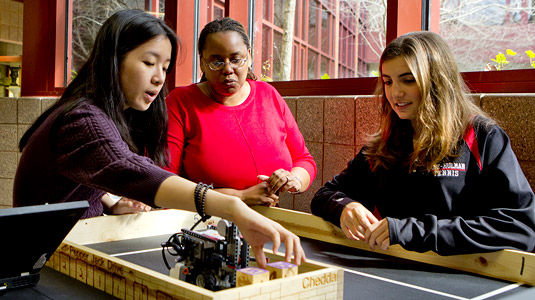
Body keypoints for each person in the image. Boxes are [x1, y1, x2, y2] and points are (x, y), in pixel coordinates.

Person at [13, 9, 305, 268]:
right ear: (113, 61)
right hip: (38, 263)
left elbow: (82, 171)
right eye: (149, 63)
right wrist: (235, 207)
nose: (159, 77)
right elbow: (136, 172)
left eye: (165, 67)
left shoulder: (107, 112)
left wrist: (111, 202)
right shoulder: (82, 119)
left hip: (67, 248)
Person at [311, 31, 535, 255]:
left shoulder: (482, 137)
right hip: (391, 274)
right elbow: (325, 195)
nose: (395, 93)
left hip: (466, 279)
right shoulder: (383, 145)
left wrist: (413, 231)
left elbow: (521, 228)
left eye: (408, 80)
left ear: (437, 81)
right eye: (388, 82)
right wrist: (344, 207)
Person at [165, 17, 316, 207]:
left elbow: (304, 159)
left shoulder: (268, 95)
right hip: (205, 224)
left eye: (236, 59)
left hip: (270, 222)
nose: (228, 69)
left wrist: (294, 180)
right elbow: (165, 181)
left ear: (249, 57)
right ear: (202, 63)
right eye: (216, 62)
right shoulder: (181, 102)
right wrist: (239, 196)